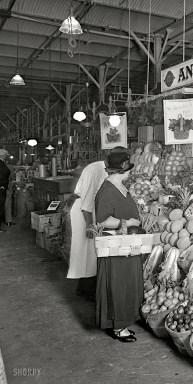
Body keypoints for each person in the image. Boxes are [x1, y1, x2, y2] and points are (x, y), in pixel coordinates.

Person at [67, 146, 127, 301]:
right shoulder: (95, 169)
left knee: (93, 253)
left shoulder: (108, 170)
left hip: (93, 209)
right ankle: (87, 290)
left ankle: (86, 288)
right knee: (87, 250)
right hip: (85, 211)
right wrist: (89, 224)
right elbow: (86, 199)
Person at [94, 151, 142, 342]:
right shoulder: (107, 190)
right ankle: (118, 327)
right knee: (118, 283)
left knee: (127, 281)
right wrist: (128, 223)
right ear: (122, 170)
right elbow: (102, 220)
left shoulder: (119, 186)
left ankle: (123, 321)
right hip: (115, 246)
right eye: (128, 168)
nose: (130, 172)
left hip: (126, 243)